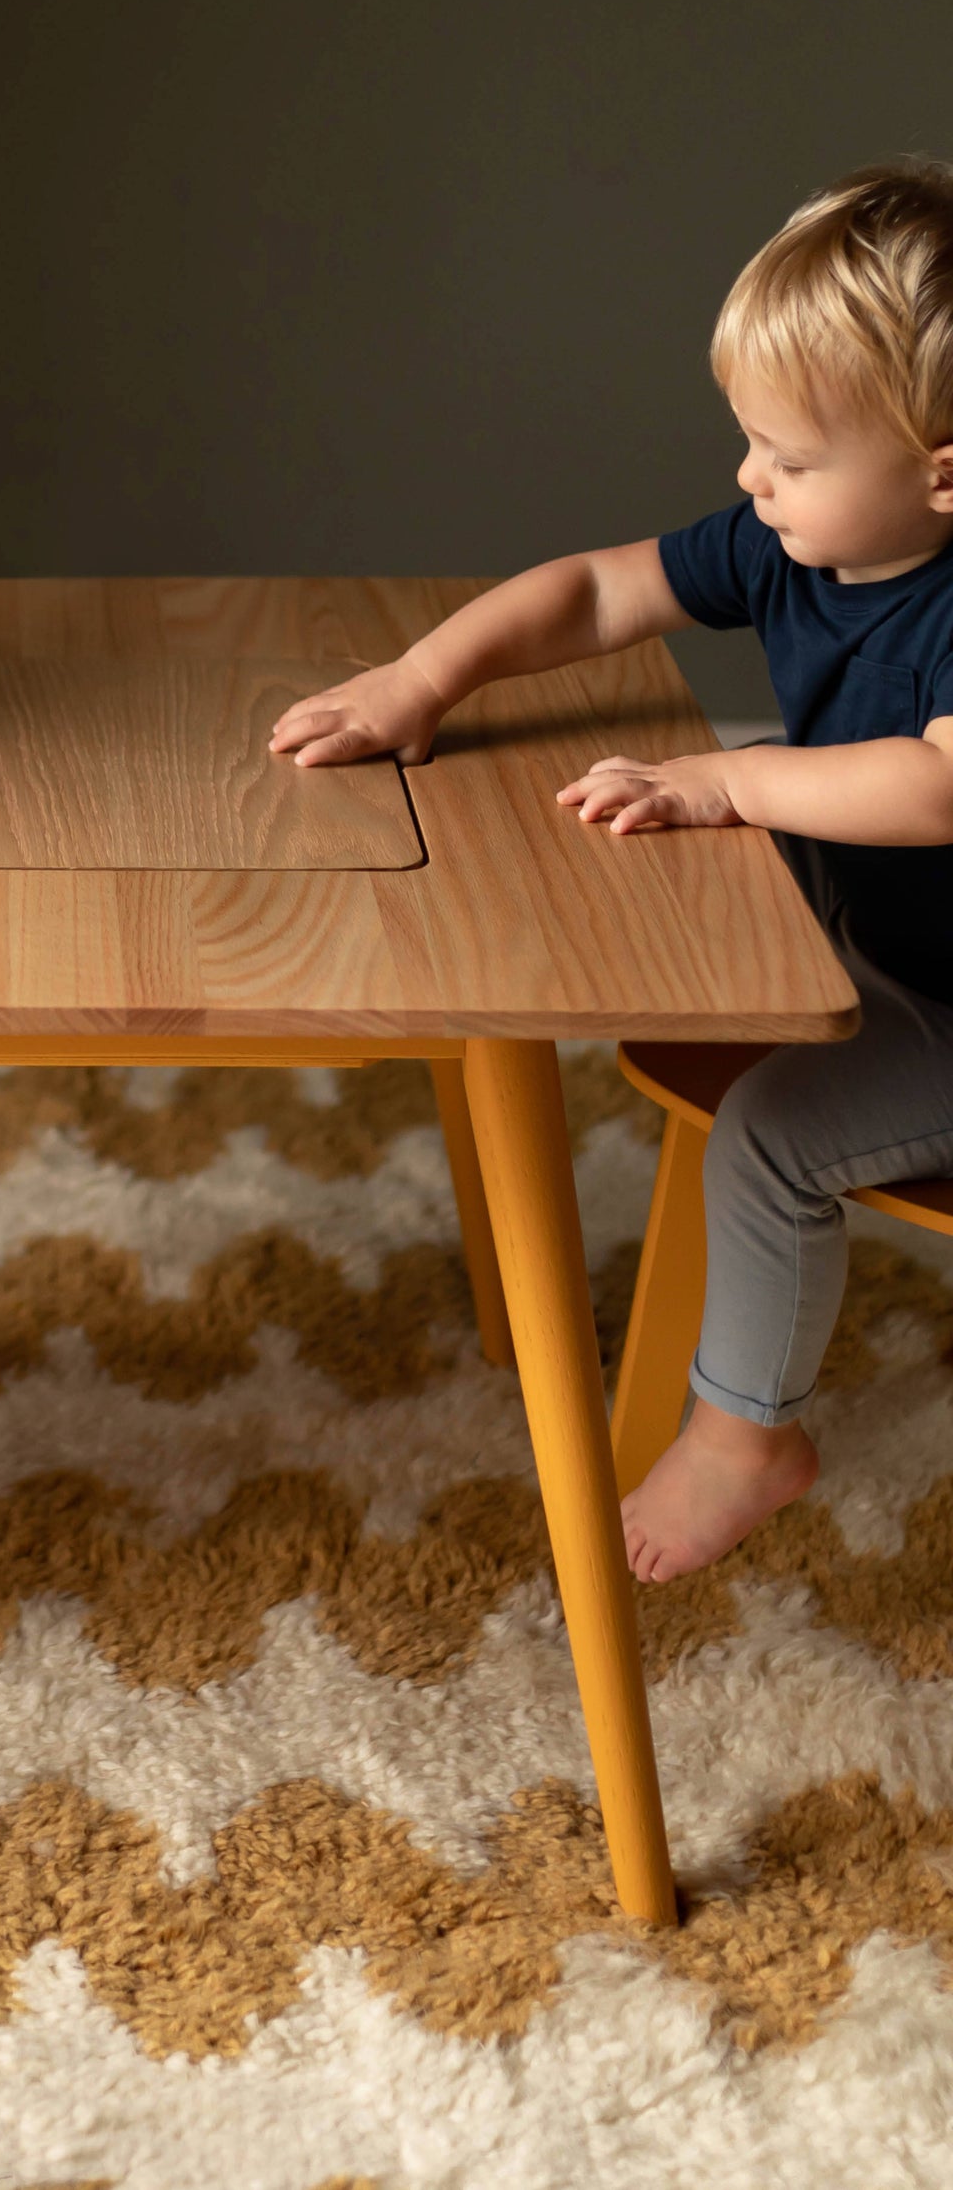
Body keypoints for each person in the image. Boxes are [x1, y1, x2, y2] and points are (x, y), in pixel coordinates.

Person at [271, 161, 953, 1585]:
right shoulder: (791, 549)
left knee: (772, 1136)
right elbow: (595, 590)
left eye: (793, 458)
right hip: (885, 947)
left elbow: (939, 782)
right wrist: (423, 677)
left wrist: (727, 782)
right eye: (749, 442)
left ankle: (748, 1436)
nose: (750, 480)